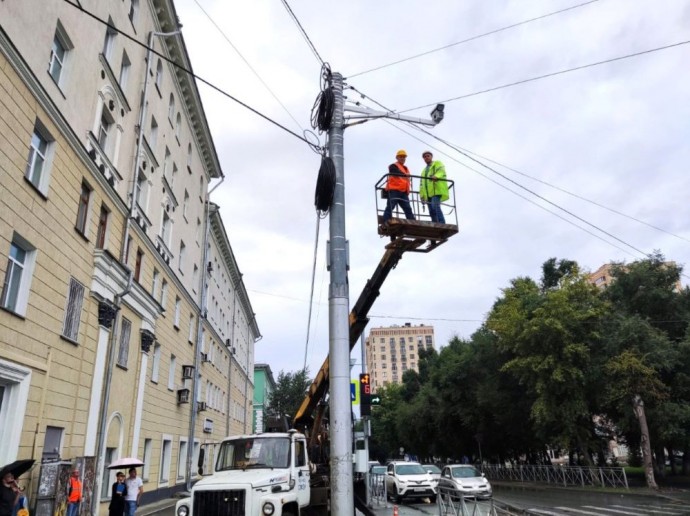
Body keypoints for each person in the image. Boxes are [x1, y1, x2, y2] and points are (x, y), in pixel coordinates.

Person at [382, 149, 415, 225]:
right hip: (394, 190)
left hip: (403, 192)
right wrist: (404, 175)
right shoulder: (393, 166)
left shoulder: (406, 169)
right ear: (397, 158)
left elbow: (405, 180)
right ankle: (385, 222)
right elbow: (394, 171)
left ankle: (413, 222)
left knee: (408, 208)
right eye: (401, 157)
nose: (403, 158)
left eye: (404, 157)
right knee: (390, 206)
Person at [419, 150, 449, 223]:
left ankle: (442, 223)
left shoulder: (437, 163)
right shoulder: (423, 171)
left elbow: (441, 171)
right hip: (428, 193)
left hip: (436, 190)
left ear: (431, 157)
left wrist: (436, 176)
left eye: (428, 156)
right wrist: (422, 196)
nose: (426, 158)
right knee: (431, 210)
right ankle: (435, 223)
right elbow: (421, 184)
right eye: (425, 157)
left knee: (435, 207)